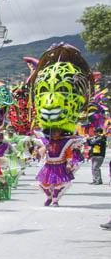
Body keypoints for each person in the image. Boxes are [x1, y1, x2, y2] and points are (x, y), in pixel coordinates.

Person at [32, 44, 93, 208]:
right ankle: (49, 196)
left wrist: (69, 162)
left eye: (58, 132)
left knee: (60, 185)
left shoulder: (66, 141)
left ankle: (56, 199)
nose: (55, 134)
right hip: (48, 166)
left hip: (59, 166)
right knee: (42, 184)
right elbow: (40, 143)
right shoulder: (47, 140)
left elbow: (71, 146)